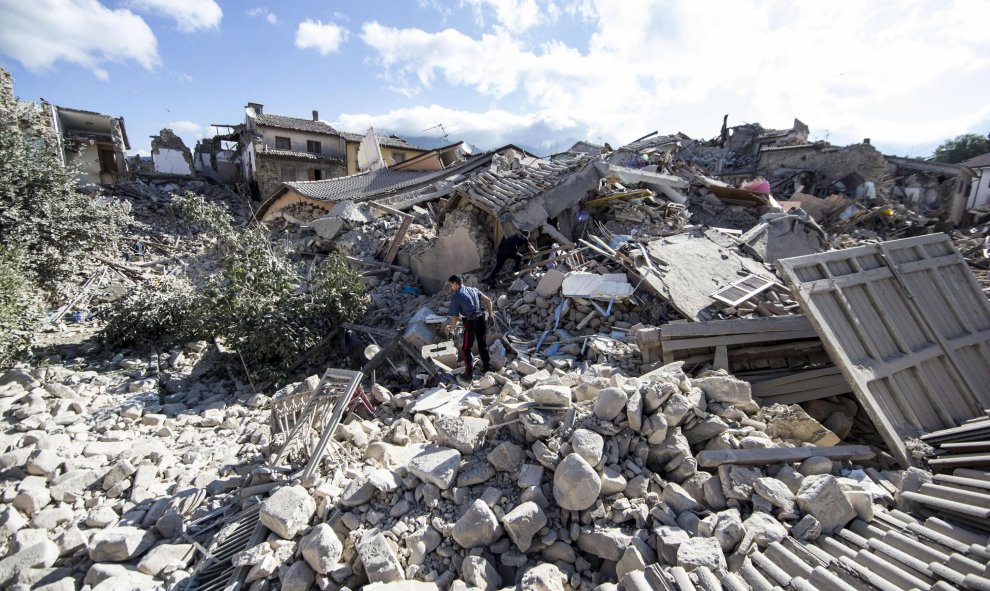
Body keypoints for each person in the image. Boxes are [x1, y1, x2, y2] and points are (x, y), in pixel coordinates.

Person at [446, 274, 494, 383]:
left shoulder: (456, 296)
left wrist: (452, 328)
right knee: (482, 344)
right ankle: (488, 368)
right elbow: (488, 301)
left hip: (470, 322)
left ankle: (468, 374)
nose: (451, 288)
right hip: (481, 319)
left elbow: (455, 316)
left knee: (466, 348)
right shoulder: (474, 290)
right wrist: (490, 316)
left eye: (451, 285)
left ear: (455, 283)